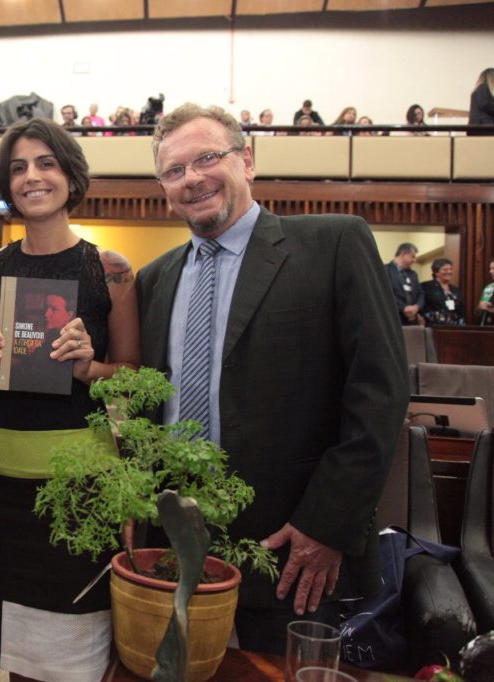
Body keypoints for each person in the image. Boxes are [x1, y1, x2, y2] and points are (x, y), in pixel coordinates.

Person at [135, 103, 406, 656]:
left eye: (207, 158)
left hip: (290, 547)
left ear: (248, 161)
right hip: (173, 547)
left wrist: (327, 524)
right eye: (174, 170)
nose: (192, 179)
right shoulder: (153, 280)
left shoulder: (333, 245)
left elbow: (379, 392)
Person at [0, 117, 140, 682]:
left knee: (78, 645)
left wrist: (90, 368)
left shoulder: (111, 270)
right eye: (17, 168)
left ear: (70, 174)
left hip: (78, 481)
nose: (32, 177)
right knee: (19, 649)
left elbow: (134, 380)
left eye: (45, 163)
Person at [385, 242, 426, 325]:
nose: (415, 260)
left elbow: (421, 294)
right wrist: (403, 308)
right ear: (404, 254)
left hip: (412, 319)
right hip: (394, 318)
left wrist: (416, 307)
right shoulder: (385, 270)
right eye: (413, 257)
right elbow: (385, 293)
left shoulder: (413, 274)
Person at [421, 257, 466, 326]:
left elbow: (461, 310)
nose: (449, 272)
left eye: (450, 269)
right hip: (433, 326)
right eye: (445, 270)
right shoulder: (426, 286)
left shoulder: (455, 289)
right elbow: (421, 306)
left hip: (455, 327)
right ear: (436, 272)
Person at [468, 67, 494, 134]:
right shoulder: (483, 88)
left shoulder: (480, 89)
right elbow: (485, 104)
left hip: (481, 129)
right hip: (483, 129)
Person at [478, 257, 494, 325]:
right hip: (485, 326)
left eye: (493, 268)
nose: (490, 271)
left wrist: (490, 309)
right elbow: (480, 308)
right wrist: (480, 307)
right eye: (490, 268)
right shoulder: (488, 287)